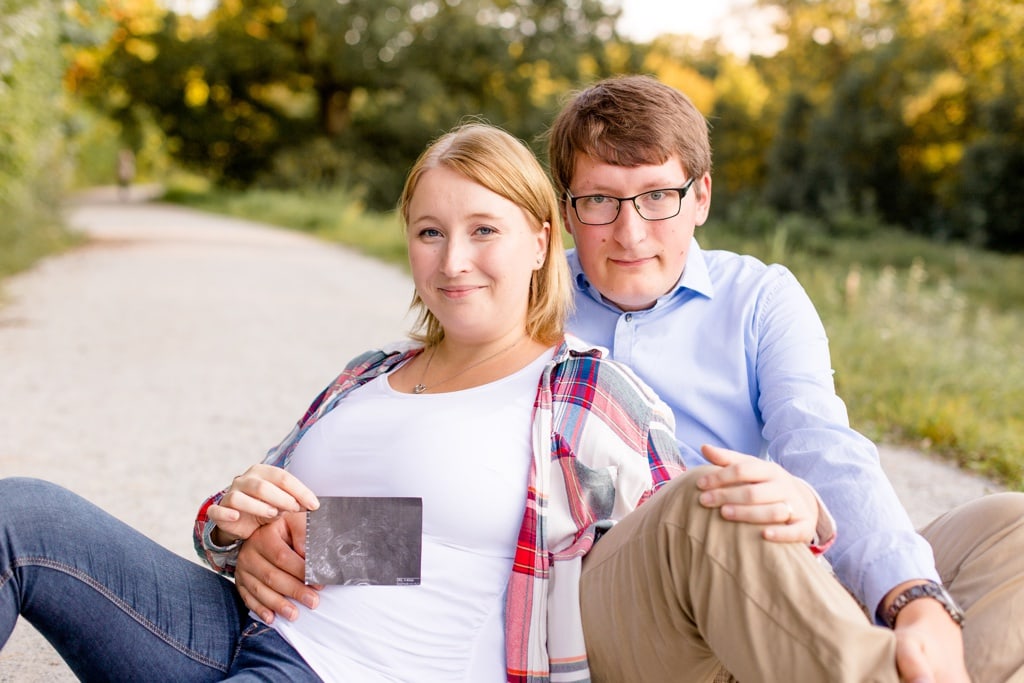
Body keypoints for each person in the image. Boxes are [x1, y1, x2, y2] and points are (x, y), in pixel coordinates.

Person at [226, 77, 1024, 683]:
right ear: (561, 218)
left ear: (701, 196)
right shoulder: (527, 305)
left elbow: (823, 446)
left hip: (774, 552)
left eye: (657, 198)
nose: (630, 232)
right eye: (600, 202)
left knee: (1010, 524)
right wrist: (297, 543)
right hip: (626, 593)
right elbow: (457, 513)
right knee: (706, 508)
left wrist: (913, 594)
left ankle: (878, 654)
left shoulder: (758, 296)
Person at [0, 122, 702, 681]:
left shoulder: (580, 390)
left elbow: (684, 563)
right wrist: (240, 529)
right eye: (431, 232)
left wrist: (800, 517)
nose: (453, 260)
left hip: (358, 666)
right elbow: (390, 538)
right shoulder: (366, 374)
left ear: (542, 242)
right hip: (237, 631)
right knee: (20, 514)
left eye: (484, 229)